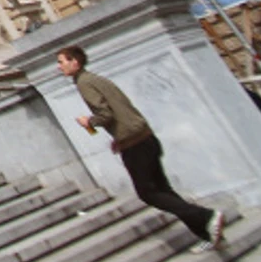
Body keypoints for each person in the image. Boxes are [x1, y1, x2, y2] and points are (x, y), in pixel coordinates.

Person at [57, 44, 226, 251]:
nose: (59, 67)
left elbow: (105, 114)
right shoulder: (97, 79)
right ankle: (207, 233)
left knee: (148, 193)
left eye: (61, 62)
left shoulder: (85, 83)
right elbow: (121, 110)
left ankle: (207, 216)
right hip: (144, 137)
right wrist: (119, 137)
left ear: (75, 62)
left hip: (135, 144)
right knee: (163, 190)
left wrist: (89, 122)